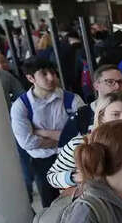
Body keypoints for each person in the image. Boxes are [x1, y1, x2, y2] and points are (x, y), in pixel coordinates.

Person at [11, 57, 86, 207]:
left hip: (72, 158)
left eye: (53, 72)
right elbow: (27, 142)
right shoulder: (22, 106)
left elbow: (83, 134)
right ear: (30, 78)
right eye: (44, 74)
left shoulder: (72, 100)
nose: (51, 78)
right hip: (43, 163)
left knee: (79, 200)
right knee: (51, 206)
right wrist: (64, 137)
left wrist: (41, 132)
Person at [48, 92, 122, 189]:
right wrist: (75, 177)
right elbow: (52, 177)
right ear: (102, 116)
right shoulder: (79, 144)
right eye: (116, 114)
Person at [58, 65, 122, 148]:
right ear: (96, 86)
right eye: (110, 82)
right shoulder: (81, 115)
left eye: (121, 82)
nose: (117, 86)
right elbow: (63, 152)